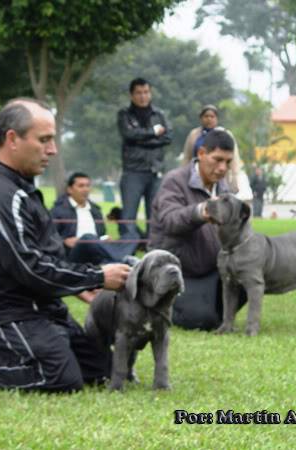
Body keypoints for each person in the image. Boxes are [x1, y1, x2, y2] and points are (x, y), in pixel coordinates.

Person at [0, 98, 131, 392]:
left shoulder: (22, 188)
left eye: (52, 140)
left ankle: (27, 344)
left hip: (42, 306)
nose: (52, 150)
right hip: (4, 312)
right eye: (44, 140)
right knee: (60, 377)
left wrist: (80, 285)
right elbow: (30, 268)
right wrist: (97, 277)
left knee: (100, 369)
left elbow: (48, 257)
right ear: (12, 139)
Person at [151, 130, 245, 330]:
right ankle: (166, 304)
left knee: (249, 278)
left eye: (227, 162)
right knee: (202, 320)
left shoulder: (223, 187)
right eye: (217, 159)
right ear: (201, 153)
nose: (222, 168)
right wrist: (200, 211)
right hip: (179, 272)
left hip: (212, 269)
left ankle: (210, 309)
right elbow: (170, 220)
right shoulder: (174, 180)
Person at [117, 77, 172, 236]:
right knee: (128, 216)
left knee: (155, 215)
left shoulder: (159, 114)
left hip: (155, 171)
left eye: (146, 92)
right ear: (131, 95)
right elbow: (129, 134)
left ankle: (152, 249)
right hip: (133, 172)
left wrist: (141, 140)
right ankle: (127, 249)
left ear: (151, 93)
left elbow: (168, 137)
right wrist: (154, 134)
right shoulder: (124, 114)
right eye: (139, 93)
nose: (143, 96)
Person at [50, 172, 139, 265]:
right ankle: (122, 259)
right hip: (75, 253)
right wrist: (64, 241)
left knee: (132, 236)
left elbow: (101, 234)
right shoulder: (58, 211)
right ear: (69, 189)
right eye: (81, 186)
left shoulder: (95, 210)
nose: (85, 189)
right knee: (88, 237)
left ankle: (114, 259)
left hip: (97, 248)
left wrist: (105, 239)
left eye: (88, 186)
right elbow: (49, 238)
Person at [181, 104, 241, 193]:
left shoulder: (225, 134)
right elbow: (187, 157)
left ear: (217, 119)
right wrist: (183, 175)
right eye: (206, 116)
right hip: (196, 175)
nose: (209, 119)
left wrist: (234, 178)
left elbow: (234, 159)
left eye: (212, 116)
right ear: (201, 118)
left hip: (220, 176)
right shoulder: (194, 135)